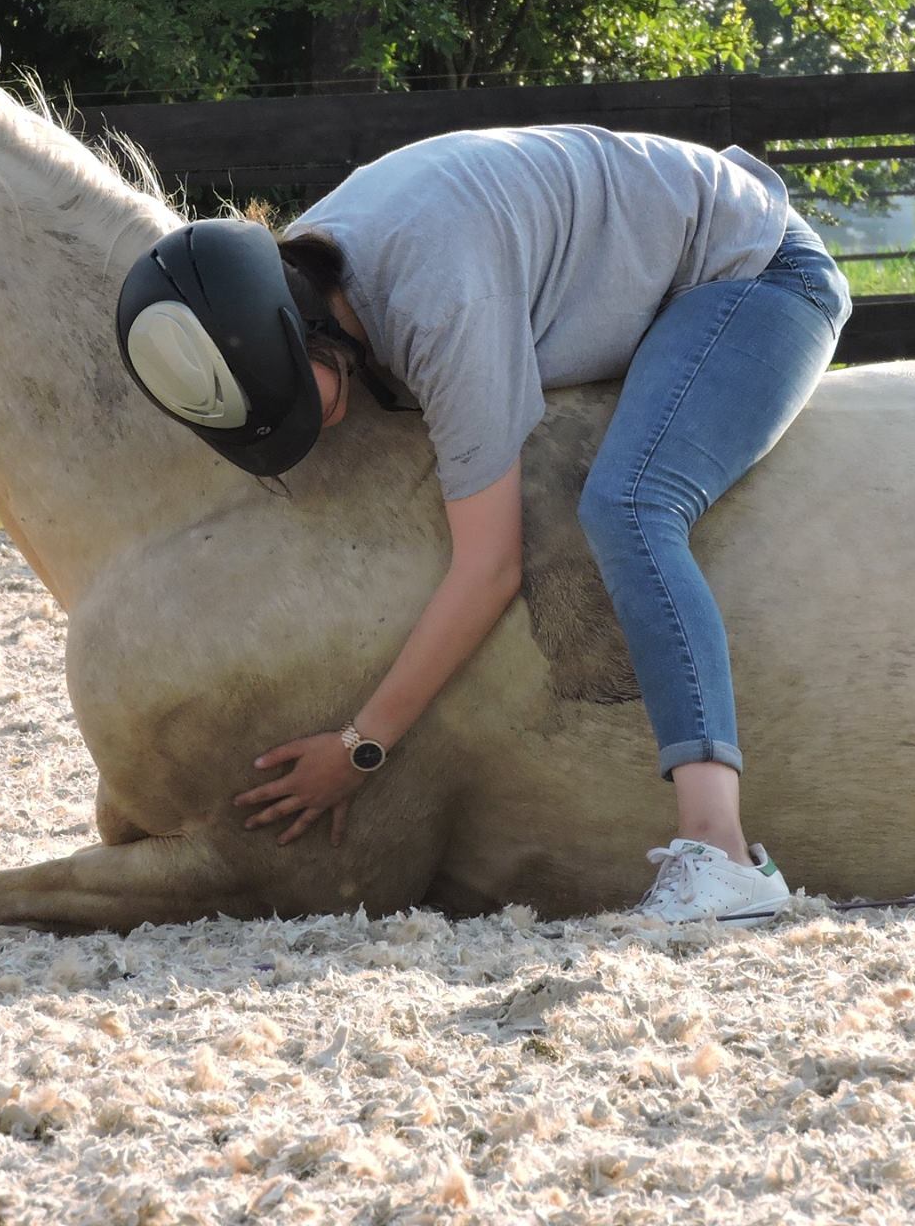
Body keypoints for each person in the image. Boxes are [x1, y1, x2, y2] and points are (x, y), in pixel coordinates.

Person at [115, 124, 851, 922]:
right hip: (629, 265)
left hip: (753, 272)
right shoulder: (299, 274)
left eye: (304, 400)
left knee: (630, 506)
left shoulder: (442, 302)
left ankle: (723, 852)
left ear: (310, 332)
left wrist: (360, 749)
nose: (312, 428)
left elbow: (490, 567)